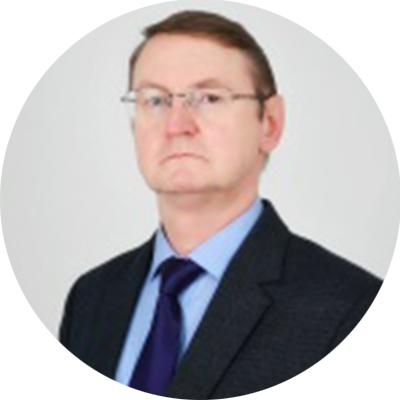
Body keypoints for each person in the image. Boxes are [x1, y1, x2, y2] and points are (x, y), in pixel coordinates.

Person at [48, 10, 400, 400]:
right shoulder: (92, 298)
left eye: (209, 98)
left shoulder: (358, 315)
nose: (177, 125)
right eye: (155, 100)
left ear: (270, 123)